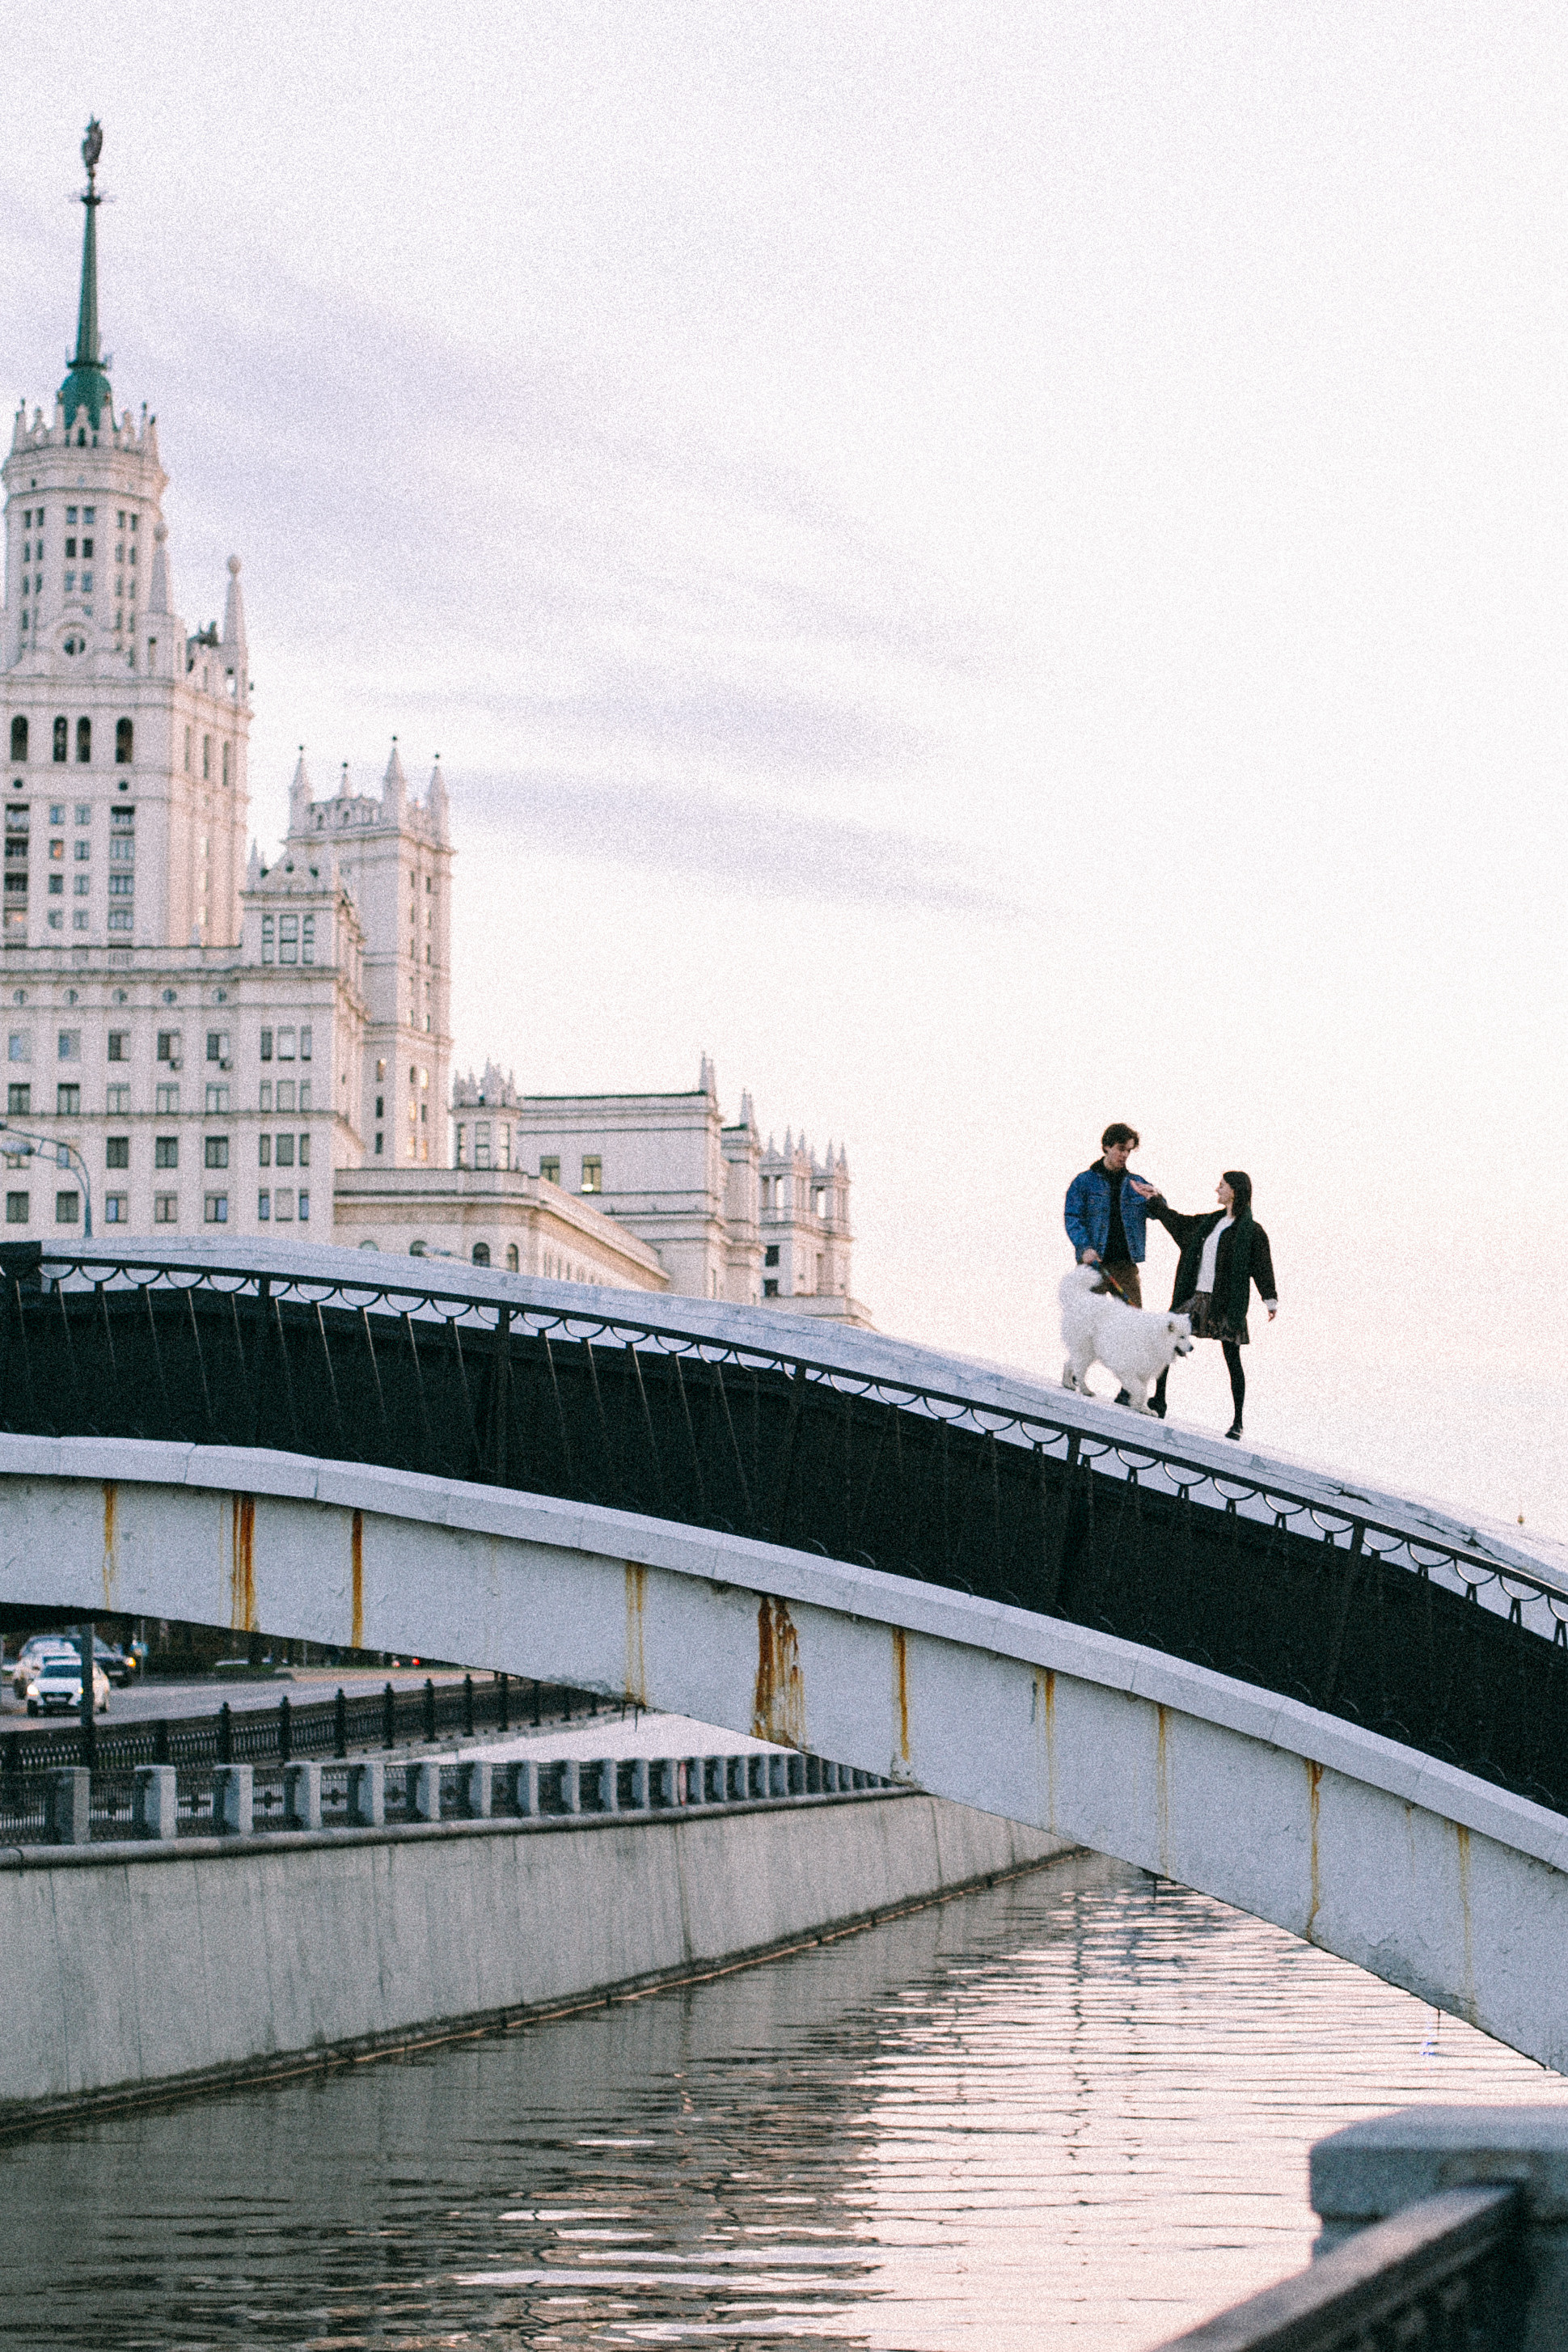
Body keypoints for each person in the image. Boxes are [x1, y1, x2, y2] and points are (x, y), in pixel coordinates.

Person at [1145, 1170, 1278, 1440]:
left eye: (1223, 1185)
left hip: (1225, 1302)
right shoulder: (1210, 1223)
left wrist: (1269, 1298)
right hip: (1195, 1295)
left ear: (1235, 1191)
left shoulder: (1252, 1231)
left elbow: (1262, 1265)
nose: (1217, 1188)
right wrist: (1157, 1203)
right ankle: (1159, 1400)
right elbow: (1179, 1223)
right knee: (1168, 1337)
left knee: (1232, 1357)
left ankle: (1238, 1421)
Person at [1064, 1124, 1158, 1309]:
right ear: (1107, 1146)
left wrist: (1155, 1195)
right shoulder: (1084, 1182)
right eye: (1121, 1149)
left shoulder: (1137, 1183)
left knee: (1132, 1324)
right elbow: (1073, 1217)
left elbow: (1158, 1212)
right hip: (1094, 1264)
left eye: (1129, 1151)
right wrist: (1085, 1248)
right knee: (1089, 1322)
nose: (1125, 1155)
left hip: (1125, 1266)